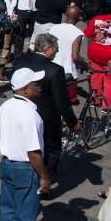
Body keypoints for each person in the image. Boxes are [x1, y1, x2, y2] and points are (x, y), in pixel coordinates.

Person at [0, 68, 49, 221]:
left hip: (7, 163)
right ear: (25, 89)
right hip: (24, 169)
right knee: (24, 216)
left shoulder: (6, 106)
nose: (39, 87)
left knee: (7, 209)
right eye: (36, 85)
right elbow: (34, 153)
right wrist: (44, 176)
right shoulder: (30, 115)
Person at [14, 33, 78, 183]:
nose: (56, 52)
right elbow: (63, 102)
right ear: (48, 49)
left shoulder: (21, 62)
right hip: (48, 118)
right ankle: (44, 182)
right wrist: (73, 122)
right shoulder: (55, 70)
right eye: (56, 48)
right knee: (52, 150)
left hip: (23, 113)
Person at [49, 6, 86, 105]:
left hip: (51, 69)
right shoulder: (77, 33)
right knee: (67, 102)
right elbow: (75, 56)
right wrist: (87, 66)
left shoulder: (53, 28)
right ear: (79, 17)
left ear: (65, 16)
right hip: (67, 72)